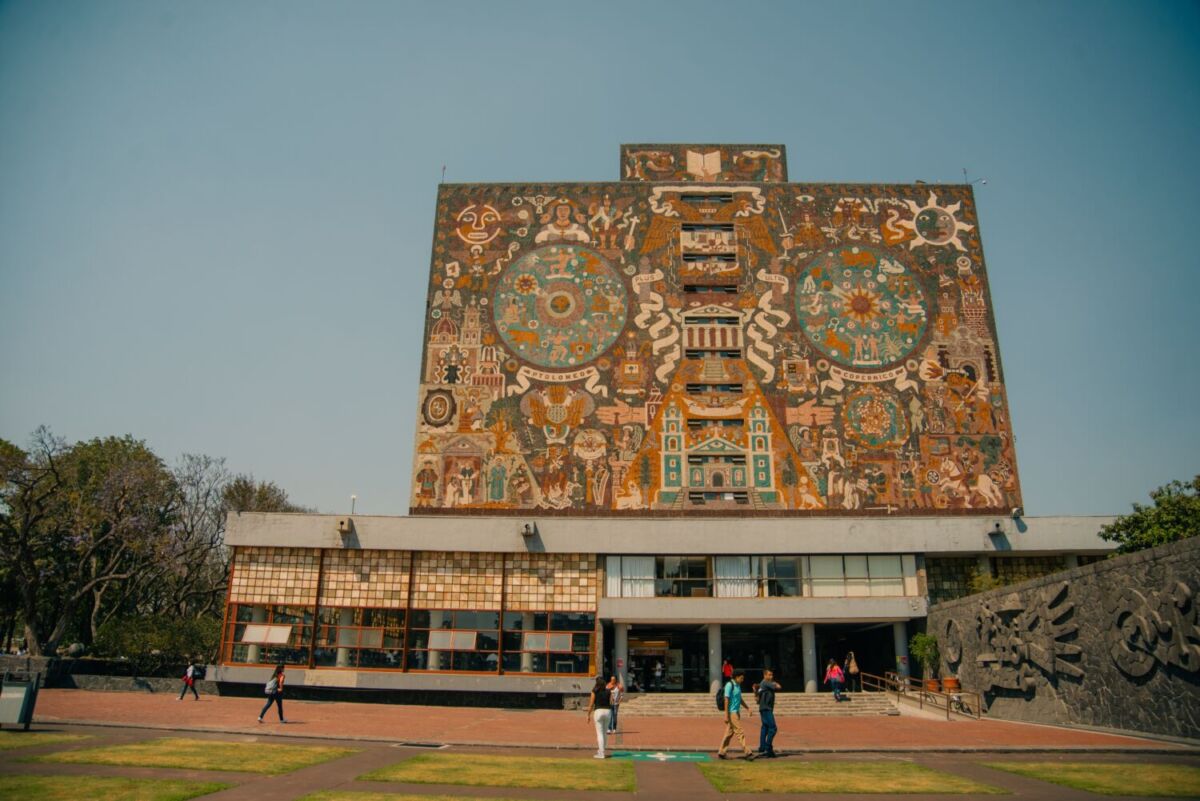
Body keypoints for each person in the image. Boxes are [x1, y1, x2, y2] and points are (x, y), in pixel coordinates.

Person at [717, 669, 758, 760]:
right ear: (736, 677)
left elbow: (740, 699)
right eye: (741, 678)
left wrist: (747, 708)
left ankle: (721, 752)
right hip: (731, 713)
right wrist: (726, 715)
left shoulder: (738, 685)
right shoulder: (729, 685)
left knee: (729, 733)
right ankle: (748, 752)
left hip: (736, 712)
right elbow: (726, 700)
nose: (742, 680)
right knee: (740, 732)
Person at [753, 668, 781, 758]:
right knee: (773, 728)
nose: (771, 677)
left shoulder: (762, 684)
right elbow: (779, 687)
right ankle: (768, 748)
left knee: (765, 727)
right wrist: (775, 683)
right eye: (769, 675)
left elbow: (757, 697)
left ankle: (762, 748)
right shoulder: (766, 683)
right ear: (764, 675)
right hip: (766, 708)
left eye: (772, 675)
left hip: (764, 708)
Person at [585, 675, 612, 758]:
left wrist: (588, 715)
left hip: (598, 711)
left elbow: (591, 704)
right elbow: (611, 702)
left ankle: (601, 753)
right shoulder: (609, 691)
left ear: (596, 682)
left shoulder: (594, 691)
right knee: (604, 733)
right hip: (608, 711)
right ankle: (602, 750)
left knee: (599, 733)